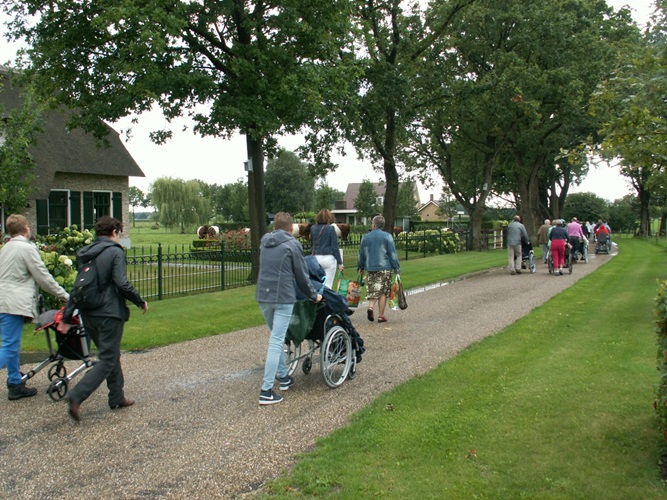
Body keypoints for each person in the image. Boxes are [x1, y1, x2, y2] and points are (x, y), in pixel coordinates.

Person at [60, 216, 148, 422]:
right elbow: (121, 282)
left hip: (88, 313)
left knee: (110, 354)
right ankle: (77, 395)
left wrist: (66, 316)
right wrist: (139, 300)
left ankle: (117, 397)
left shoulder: (87, 253)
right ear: (115, 232)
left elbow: (76, 288)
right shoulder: (114, 251)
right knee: (108, 358)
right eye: (120, 233)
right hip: (109, 313)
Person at [0, 214, 70, 400]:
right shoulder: (26, 248)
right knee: (9, 347)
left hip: (4, 301)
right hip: (13, 303)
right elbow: (42, 276)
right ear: (26, 229)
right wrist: (64, 295)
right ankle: (14, 382)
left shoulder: (6, 248)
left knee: (12, 345)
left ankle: (15, 383)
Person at [256, 212, 322, 405]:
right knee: (276, 341)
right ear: (290, 227)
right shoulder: (293, 245)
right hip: (283, 297)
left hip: (263, 295)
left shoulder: (264, 242)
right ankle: (266, 390)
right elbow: (302, 276)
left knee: (275, 338)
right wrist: (313, 295)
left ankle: (284, 377)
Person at [357, 215, 400, 324]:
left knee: (373, 288)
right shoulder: (387, 236)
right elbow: (392, 254)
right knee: (383, 291)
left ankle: (371, 307)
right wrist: (396, 267)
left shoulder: (366, 237)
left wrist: (360, 267)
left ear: (374, 224)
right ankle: (381, 316)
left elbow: (362, 254)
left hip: (370, 267)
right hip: (384, 267)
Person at [310, 209, 344, 289]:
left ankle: (318, 299)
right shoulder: (331, 228)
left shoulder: (313, 228)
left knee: (317, 285)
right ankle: (326, 300)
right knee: (328, 285)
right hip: (328, 258)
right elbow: (334, 247)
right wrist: (340, 263)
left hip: (316, 258)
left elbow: (312, 243)